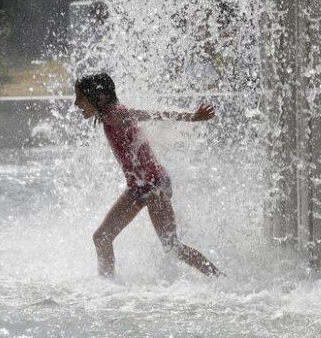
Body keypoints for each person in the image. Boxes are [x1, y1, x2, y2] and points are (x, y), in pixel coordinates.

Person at [73, 73, 222, 278]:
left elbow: (152, 114)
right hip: (138, 187)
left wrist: (192, 117)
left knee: (172, 247)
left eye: (80, 98)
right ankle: (106, 287)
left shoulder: (116, 114)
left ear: (99, 96)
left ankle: (219, 279)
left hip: (154, 186)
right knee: (102, 238)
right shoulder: (107, 116)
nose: (75, 104)